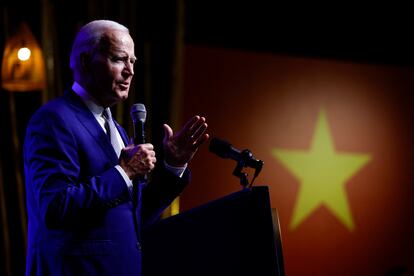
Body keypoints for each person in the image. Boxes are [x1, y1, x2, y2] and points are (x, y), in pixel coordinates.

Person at [23, 19, 209, 276]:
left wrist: (173, 166)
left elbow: (133, 216)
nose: (130, 71)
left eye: (133, 61)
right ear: (86, 61)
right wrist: (125, 172)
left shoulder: (117, 130)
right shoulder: (54, 119)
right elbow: (55, 207)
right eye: (120, 59)